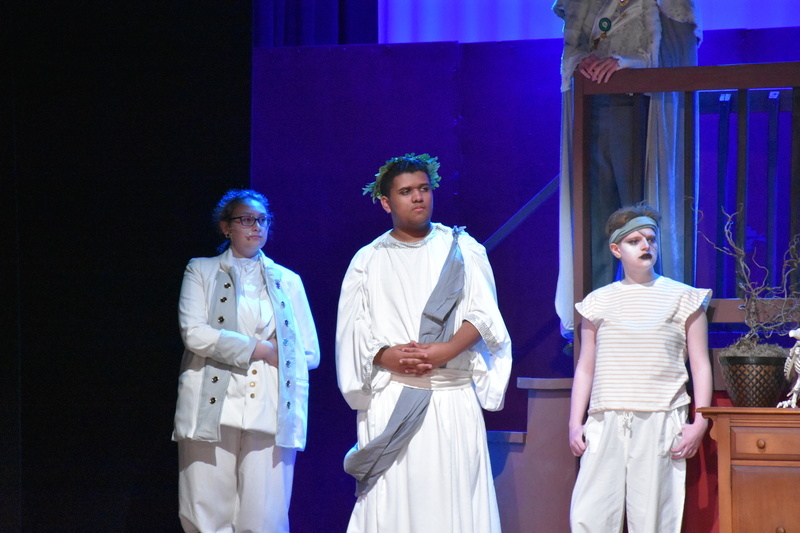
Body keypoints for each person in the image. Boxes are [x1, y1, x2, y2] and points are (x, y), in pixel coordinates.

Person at [335, 153, 512, 533]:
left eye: (423, 189)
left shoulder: (462, 248)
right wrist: (385, 355)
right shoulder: (368, 260)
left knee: (452, 497)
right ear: (386, 202)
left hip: (451, 397)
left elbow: (485, 315)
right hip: (393, 397)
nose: (418, 197)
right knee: (394, 499)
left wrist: (446, 349)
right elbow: (353, 331)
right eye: (406, 192)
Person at [172, 189, 320, 532]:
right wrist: (262, 349)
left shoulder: (288, 281)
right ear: (227, 227)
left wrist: (277, 349)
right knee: (206, 509)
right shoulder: (202, 270)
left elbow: (309, 352)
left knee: (265, 515)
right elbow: (195, 333)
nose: (256, 226)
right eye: (246, 219)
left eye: (262, 220)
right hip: (212, 405)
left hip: (270, 406)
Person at [552, 0, 702, 335]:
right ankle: (595, 323)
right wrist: (583, 61)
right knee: (595, 220)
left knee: (637, 216)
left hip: (638, 106)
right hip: (592, 104)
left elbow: (675, 52)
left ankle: (651, 321)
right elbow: (575, 46)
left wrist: (627, 63)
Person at [568, 204, 712, 532]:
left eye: (651, 238)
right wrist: (575, 424)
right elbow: (586, 367)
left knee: (652, 521)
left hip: (660, 417)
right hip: (606, 418)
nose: (646, 245)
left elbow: (700, 364)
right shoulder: (598, 302)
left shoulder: (683, 297)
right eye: (634, 241)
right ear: (616, 249)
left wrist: (700, 422)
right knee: (588, 517)